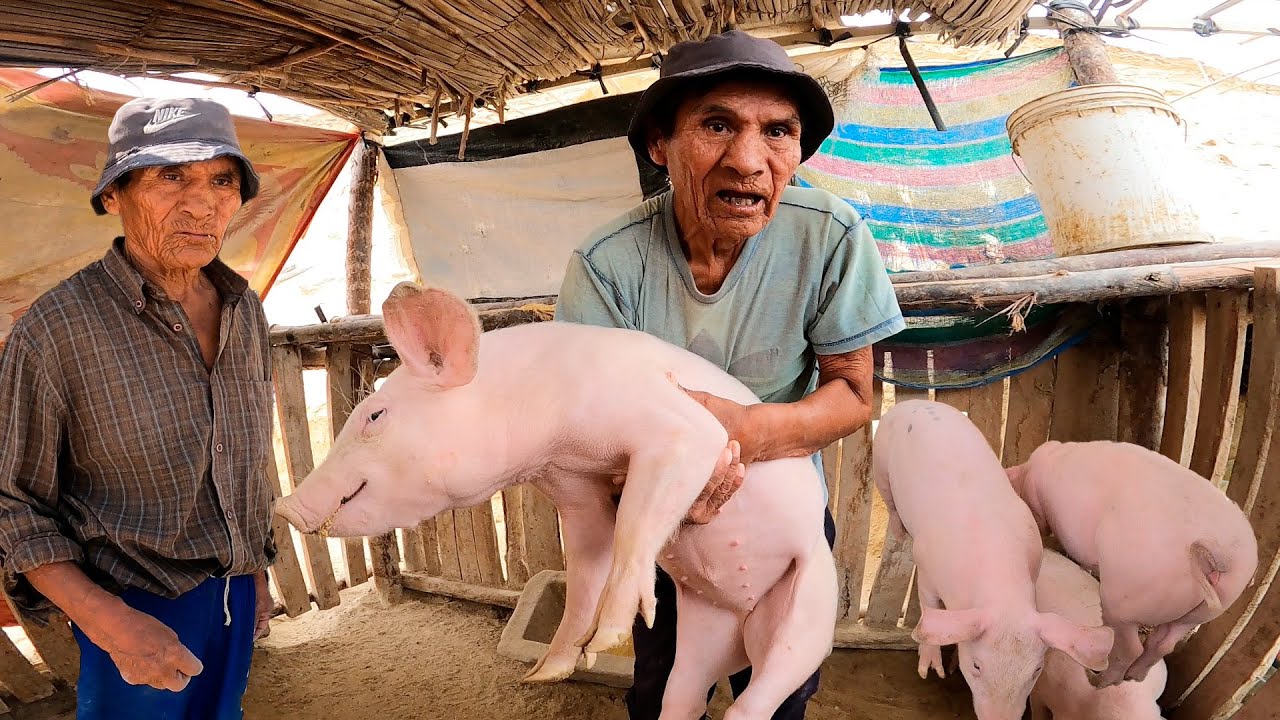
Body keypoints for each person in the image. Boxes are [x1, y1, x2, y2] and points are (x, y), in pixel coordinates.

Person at [555, 30, 905, 719]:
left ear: (798, 151)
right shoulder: (608, 263)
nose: (749, 161)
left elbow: (854, 393)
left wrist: (744, 434)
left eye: (778, 132)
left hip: (783, 511)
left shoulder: (830, 235)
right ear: (661, 144)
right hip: (660, 517)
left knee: (776, 695)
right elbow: (586, 425)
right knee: (660, 688)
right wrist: (671, 466)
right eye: (717, 125)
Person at [0, 97, 278, 719]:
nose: (203, 203)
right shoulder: (56, 331)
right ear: (112, 196)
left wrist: (253, 569)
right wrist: (111, 624)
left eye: (222, 179)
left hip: (232, 592)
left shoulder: (243, 310)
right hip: (131, 603)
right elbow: (11, 502)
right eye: (170, 176)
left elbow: (244, 457)